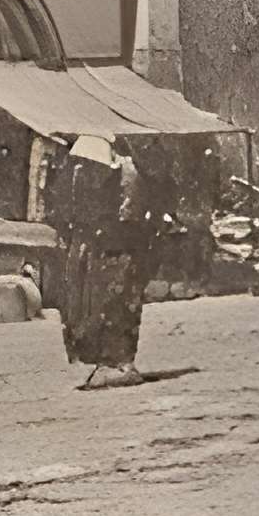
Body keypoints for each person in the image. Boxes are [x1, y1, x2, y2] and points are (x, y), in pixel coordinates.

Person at [47, 133, 162, 388]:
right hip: (108, 246)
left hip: (118, 246)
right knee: (100, 304)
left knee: (114, 304)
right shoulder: (104, 163)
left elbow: (129, 210)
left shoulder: (121, 169)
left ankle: (117, 362)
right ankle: (109, 361)